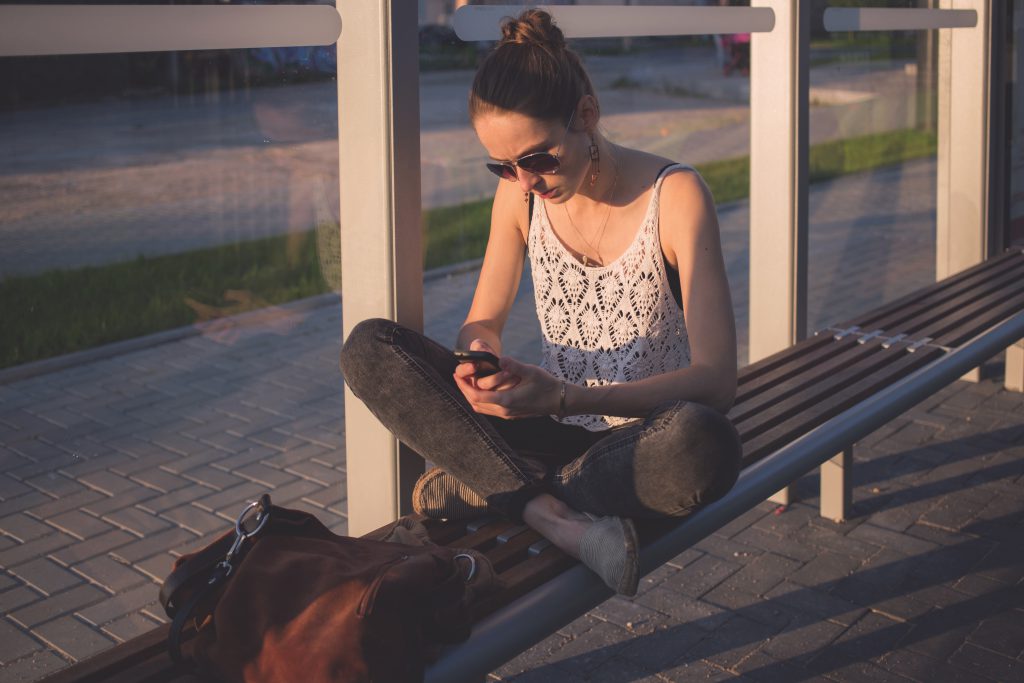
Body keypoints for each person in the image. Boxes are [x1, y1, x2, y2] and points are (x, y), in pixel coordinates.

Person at [340, 9, 742, 597]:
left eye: (537, 158)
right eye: (502, 165)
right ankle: (551, 514)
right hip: (547, 427)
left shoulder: (675, 195)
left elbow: (717, 381)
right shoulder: (519, 198)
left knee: (703, 444)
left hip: (638, 441)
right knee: (369, 348)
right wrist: (481, 361)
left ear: (586, 114)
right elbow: (483, 320)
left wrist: (564, 396)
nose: (523, 180)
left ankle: (494, 486)